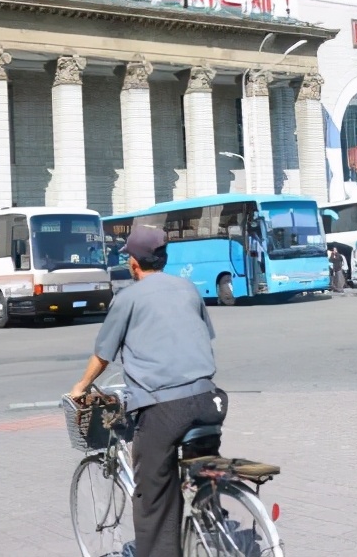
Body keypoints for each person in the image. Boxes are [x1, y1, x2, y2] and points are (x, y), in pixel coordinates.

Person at [70, 225, 226, 557]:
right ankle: (209, 520)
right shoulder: (188, 289)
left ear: (134, 263)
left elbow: (102, 355)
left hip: (164, 409)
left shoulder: (127, 298)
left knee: (154, 495)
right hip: (209, 400)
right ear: (163, 259)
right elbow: (202, 337)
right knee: (201, 471)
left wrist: (80, 387)